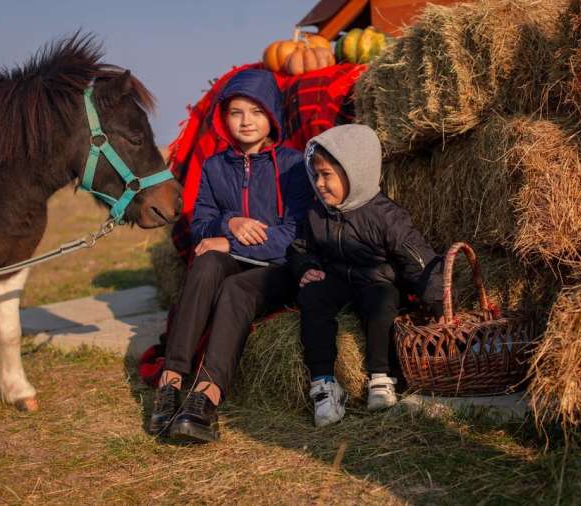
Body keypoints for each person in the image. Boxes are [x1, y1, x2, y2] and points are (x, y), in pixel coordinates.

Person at [148, 69, 312, 442]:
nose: (246, 121)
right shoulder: (215, 166)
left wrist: (232, 243)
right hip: (234, 256)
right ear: (225, 118)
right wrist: (230, 222)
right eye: (236, 112)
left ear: (271, 115)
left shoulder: (293, 165)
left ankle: (207, 396)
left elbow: (295, 235)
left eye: (256, 112)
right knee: (206, 263)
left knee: (236, 288)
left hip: (281, 268)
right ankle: (171, 381)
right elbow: (200, 226)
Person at [289, 124, 444, 427]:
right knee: (312, 297)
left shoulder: (385, 215)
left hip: (377, 280)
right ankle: (323, 384)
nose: (319, 184)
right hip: (337, 278)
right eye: (316, 175)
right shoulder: (317, 213)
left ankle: (382, 377)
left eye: (327, 175)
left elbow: (418, 258)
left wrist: (436, 301)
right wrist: (306, 266)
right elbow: (300, 247)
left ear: (354, 172)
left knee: (383, 301)